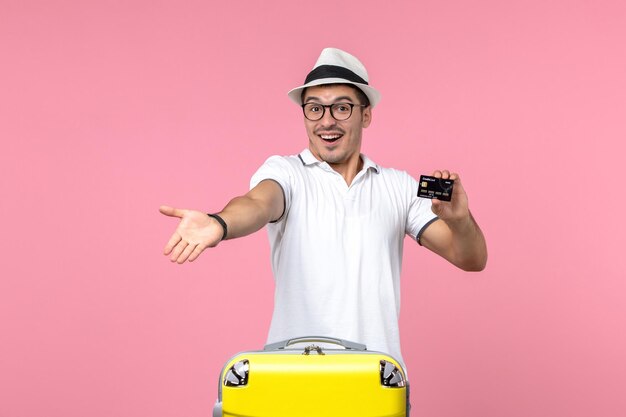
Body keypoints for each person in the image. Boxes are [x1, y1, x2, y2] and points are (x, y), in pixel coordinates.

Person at [160, 48, 487, 371]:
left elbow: (471, 259)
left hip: (375, 384)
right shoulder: (286, 172)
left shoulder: (399, 187)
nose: (326, 121)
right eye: (314, 109)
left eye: (341, 108)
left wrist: (460, 221)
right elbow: (257, 203)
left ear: (366, 114)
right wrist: (220, 222)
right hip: (295, 380)